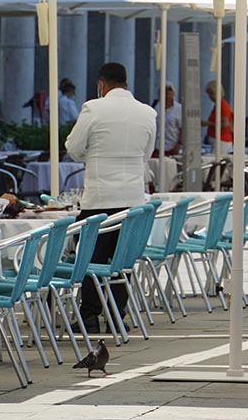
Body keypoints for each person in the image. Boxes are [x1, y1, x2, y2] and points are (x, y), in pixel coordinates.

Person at [65, 62, 156, 333]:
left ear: (101, 84)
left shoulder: (93, 108)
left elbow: (73, 148)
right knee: (122, 261)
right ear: (126, 84)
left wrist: (92, 154)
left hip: (100, 199)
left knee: (91, 258)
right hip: (133, 201)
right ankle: (117, 315)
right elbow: (147, 153)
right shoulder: (147, 112)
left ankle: (90, 315)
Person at [155, 83, 181, 157]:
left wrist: (179, 144)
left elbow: (182, 128)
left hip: (172, 146)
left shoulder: (179, 109)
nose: (167, 96)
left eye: (169, 93)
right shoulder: (156, 107)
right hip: (157, 146)